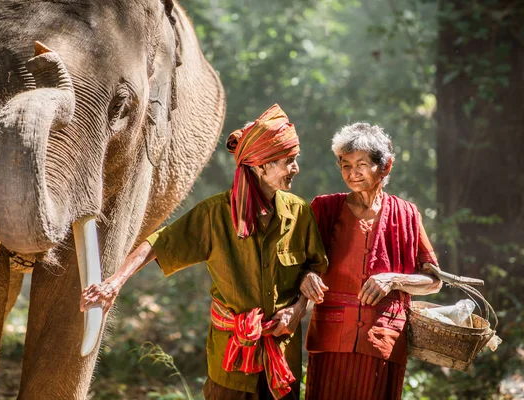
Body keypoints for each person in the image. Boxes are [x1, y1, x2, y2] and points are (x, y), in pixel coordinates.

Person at [80, 104, 328, 400]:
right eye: (289, 161)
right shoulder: (214, 215)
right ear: (261, 166)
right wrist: (114, 283)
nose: (296, 168)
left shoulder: (299, 212)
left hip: (281, 361)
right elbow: (159, 244)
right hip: (231, 361)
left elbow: (314, 267)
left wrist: (298, 309)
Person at [299, 122, 442, 400]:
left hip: (382, 342)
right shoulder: (324, 209)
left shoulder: (407, 214)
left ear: (385, 166)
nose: (353, 173)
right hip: (331, 340)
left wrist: (393, 279)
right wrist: (306, 277)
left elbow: (434, 281)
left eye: (361, 164)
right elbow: (297, 265)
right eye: (345, 165)